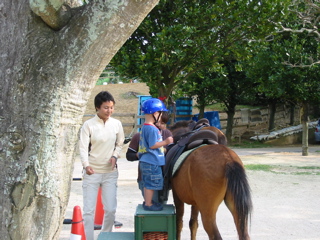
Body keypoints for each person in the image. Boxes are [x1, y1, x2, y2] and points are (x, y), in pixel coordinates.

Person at [79, 91, 125, 240]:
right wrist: (86, 165)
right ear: (97, 108)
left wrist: (114, 156)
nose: (109, 111)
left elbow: (120, 144)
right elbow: (83, 147)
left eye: (111, 107)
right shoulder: (88, 125)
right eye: (106, 107)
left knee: (110, 209)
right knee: (88, 211)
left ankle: (106, 236)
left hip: (110, 172)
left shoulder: (117, 124)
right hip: (92, 172)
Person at [126, 111, 173, 203]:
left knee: (162, 205)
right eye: (159, 122)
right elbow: (129, 156)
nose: (160, 125)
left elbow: (172, 153)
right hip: (147, 174)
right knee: (152, 204)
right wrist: (141, 153)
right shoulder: (139, 135)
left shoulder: (167, 134)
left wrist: (164, 150)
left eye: (163, 123)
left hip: (163, 177)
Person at [138, 98, 173, 211]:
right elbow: (153, 145)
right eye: (161, 113)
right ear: (155, 113)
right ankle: (148, 204)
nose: (161, 115)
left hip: (147, 160)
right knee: (151, 183)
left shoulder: (145, 127)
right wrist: (166, 142)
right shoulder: (152, 129)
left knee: (149, 182)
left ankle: (148, 201)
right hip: (152, 161)